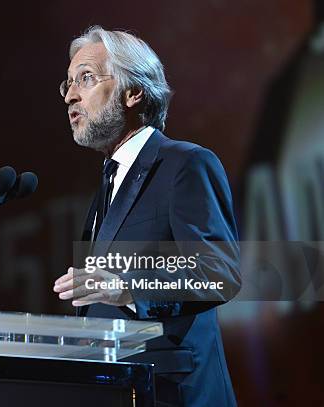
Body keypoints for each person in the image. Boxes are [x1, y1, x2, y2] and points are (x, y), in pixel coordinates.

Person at [53, 26, 241, 407]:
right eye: (68, 84)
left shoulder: (186, 164)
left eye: (86, 79)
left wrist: (128, 288)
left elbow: (219, 271)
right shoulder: (107, 184)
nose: (71, 95)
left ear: (133, 92)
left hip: (176, 394)